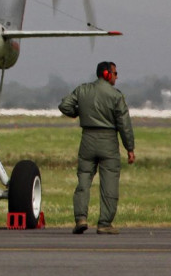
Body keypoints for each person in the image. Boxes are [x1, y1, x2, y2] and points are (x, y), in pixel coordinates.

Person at [58, 61, 136, 235]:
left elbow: (64, 105)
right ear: (107, 74)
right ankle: (104, 223)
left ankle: (81, 218)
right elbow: (124, 125)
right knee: (109, 183)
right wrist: (130, 148)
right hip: (108, 141)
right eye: (115, 73)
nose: (117, 77)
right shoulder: (116, 96)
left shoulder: (83, 90)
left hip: (87, 139)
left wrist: (80, 112)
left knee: (83, 181)